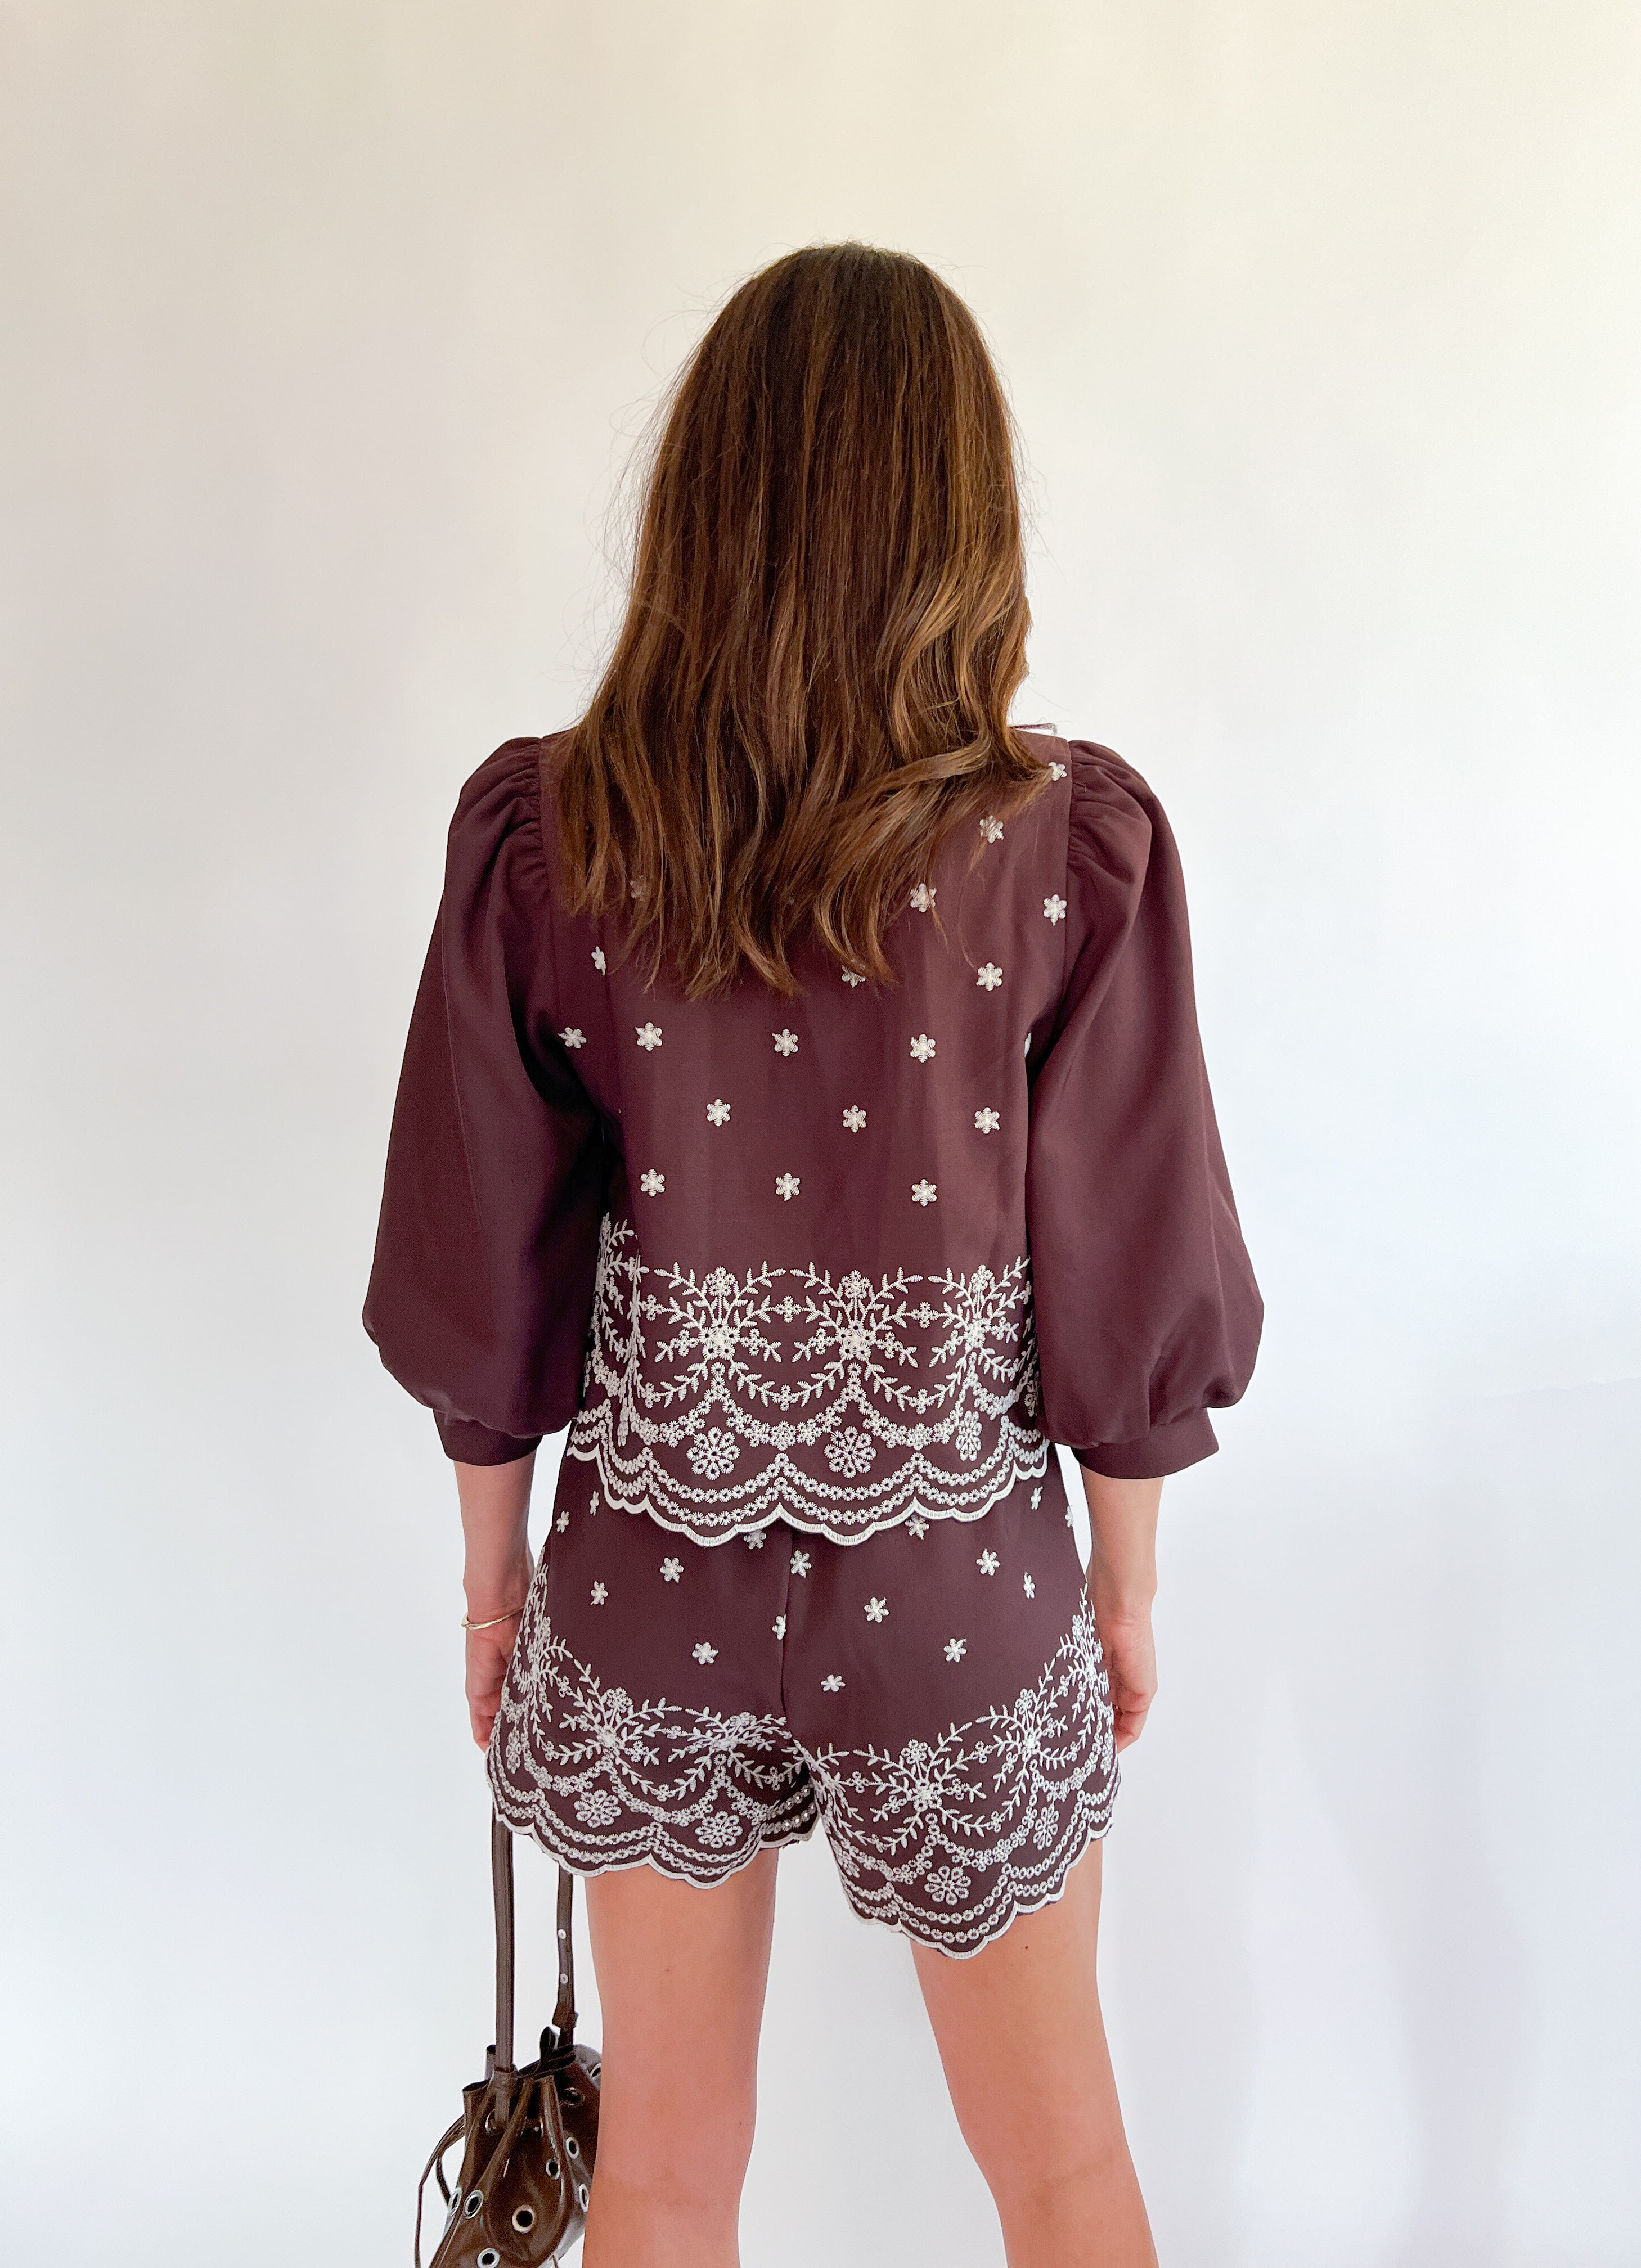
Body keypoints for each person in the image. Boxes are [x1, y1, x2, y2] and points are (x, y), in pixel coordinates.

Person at [364, 241, 1262, 2268]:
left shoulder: (560, 842)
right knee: (1062, 2164)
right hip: (959, 1581)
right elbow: (1127, 1254)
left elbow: (483, 1259)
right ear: (967, 522)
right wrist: (1126, 1591)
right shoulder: (1066, 851)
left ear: (701, 510)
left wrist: (493, 1584)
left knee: (665, 2173)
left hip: (648, 1573)